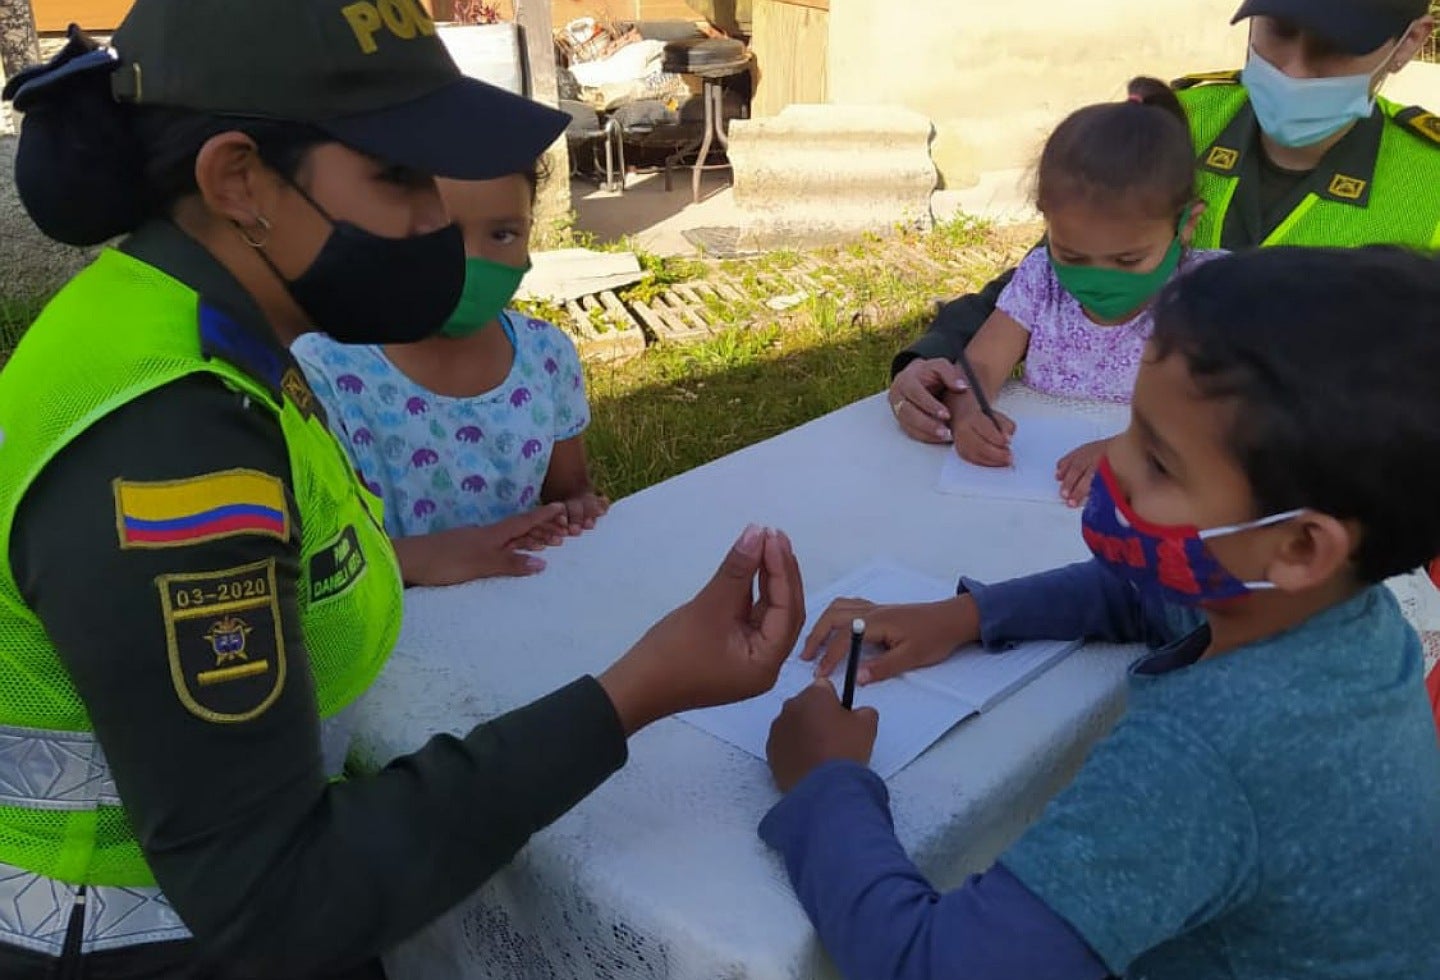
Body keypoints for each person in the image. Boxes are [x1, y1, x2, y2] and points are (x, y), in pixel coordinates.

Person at [0, 5, 806, 978]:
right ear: (238, 179)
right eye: (398, 177)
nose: (437, 223)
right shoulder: (170, 445)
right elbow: (276, 900)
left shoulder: (203, 329)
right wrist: (633, 694)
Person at [765, 246, 1440, 977]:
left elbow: (940, 967)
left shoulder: (1202, 757)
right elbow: (1146, 597)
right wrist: (965, 618)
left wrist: (824, 785)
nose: (1113, 465)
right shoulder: (1340, 617)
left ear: (1303, 545)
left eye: (1158, 460)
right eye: (1131, 426)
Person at [887, 0, 1440, 448]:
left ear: (1410, 41)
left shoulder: (1429, 180)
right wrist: (940, 359)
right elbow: (1051, 268)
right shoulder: (1174, 123)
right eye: (1278, 31)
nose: (1293, 70)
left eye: (1333, 48)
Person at [294, 165, 608, 584]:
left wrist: (577, 509)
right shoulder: (324, 371)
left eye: (502, 234)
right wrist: (426, 558)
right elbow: (315, 561)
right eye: (438, 235)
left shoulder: (546, 354)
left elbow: (569, 491)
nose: (470, 261)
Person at [947, 77, 1225, 506]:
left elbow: (1235, 410)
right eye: (1072, 256)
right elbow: (981, 363)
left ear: (1187, 224)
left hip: (1152, 510)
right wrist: (969, 415)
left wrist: (1136, 449)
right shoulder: (1041, 280)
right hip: (1033, 501)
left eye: (1128, 260)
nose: (1099, 277)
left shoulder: (1208, 292)